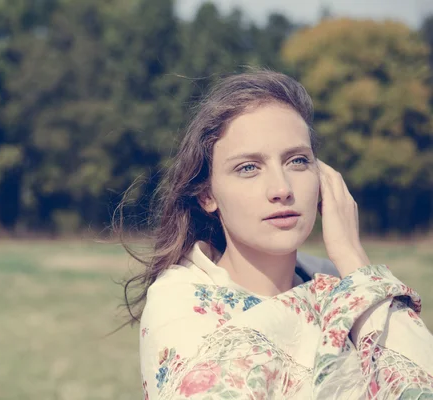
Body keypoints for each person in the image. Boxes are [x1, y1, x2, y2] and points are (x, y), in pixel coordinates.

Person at [117, 70, 433, 399]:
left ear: (324, 178)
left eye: (297, 161)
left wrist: (353, 259)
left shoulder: (340, 285)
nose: (281, 189)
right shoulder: (179, 305)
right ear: (207, 195)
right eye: (248, 167)